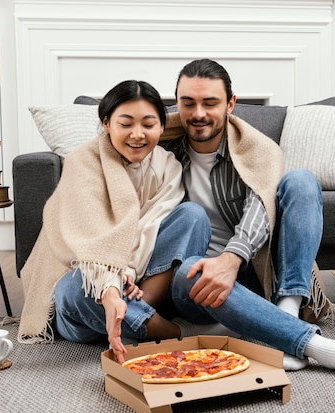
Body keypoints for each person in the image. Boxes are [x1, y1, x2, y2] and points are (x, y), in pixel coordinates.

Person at [161, 59, 335, 380]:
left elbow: (262, 202)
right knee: (189, 269)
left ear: (231, 104)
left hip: (253, 275)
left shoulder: (256, 147)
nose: (198, 113)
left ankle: (287, 307)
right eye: (188, 103)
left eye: (210, 103)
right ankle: (326, 350)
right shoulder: (159, 147)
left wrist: (231, 259)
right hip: (192, 285)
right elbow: (114, 137)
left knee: (301, 180)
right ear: (177, 103)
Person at [17, 80, 232, 364]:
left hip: (141, 288)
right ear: (106, 124)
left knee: (193, 215)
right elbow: (90, 245)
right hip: (93, 295)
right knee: (71, 289)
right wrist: (111, 288)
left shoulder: (167, 165)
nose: (137, 135)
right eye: (126, 124)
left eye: (148, 124)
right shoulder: (83, 164)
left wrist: (129, 274)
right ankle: (172, 332)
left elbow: (152, 226)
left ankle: (136, 323)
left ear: (162, 127)